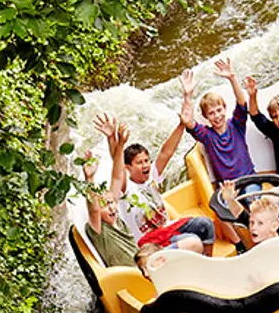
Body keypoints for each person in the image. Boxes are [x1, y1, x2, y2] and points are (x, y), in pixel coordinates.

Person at [86, 112, 208, 267]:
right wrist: (113, 140)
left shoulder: (152, 177)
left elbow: (166, 152)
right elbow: (117, 172)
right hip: (149, 244)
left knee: (205, 225)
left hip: (167, 229)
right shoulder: (125, 189)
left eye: (146, 161)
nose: (145, 165)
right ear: (128, 167)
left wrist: (182, 125)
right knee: (192, 240)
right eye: (139, 162)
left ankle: (207, 262)